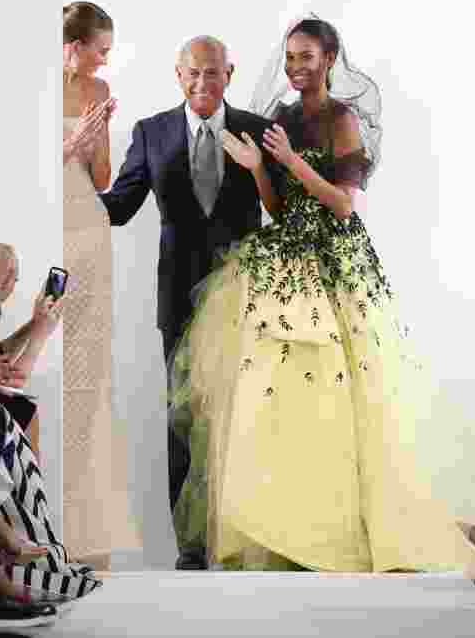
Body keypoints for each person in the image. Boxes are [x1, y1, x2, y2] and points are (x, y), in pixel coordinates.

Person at [166, 16, 466, 572]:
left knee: (340, 390)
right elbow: (278, 207)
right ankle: (280, 526)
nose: (295, 67)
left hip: (332, 258)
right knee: (273, 393)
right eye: (289, 57)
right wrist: (260, 169)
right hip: (284, 253)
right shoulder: (279, 117)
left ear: (329, 59)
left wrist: (291, 161)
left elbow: (345, 204)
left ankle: (338, 529)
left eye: (306, 57)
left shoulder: (341, 117)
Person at [100, 33, 283, 570]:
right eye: (192, 73)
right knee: (182, 417)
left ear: (230, 72)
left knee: (245, 415)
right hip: (179, 295)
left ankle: (244, 537)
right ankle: (191, 547)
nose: (203, 82)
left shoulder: (257, 129)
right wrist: (69, 169)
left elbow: (283, 209)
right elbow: (118, 208)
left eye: (213, 71)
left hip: (245, 293)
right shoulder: (151, 132)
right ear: (177, 76)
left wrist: (257, 169)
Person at [61, 1, 139, 567]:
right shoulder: (29, 86)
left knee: (88, 366)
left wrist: (94, 144)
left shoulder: (99, 90)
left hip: (88, 225)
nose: (105, 59)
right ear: (75, 44)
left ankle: (86, 531)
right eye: (101, 49)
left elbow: (106, 179)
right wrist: (65, 146)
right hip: (45, 220)